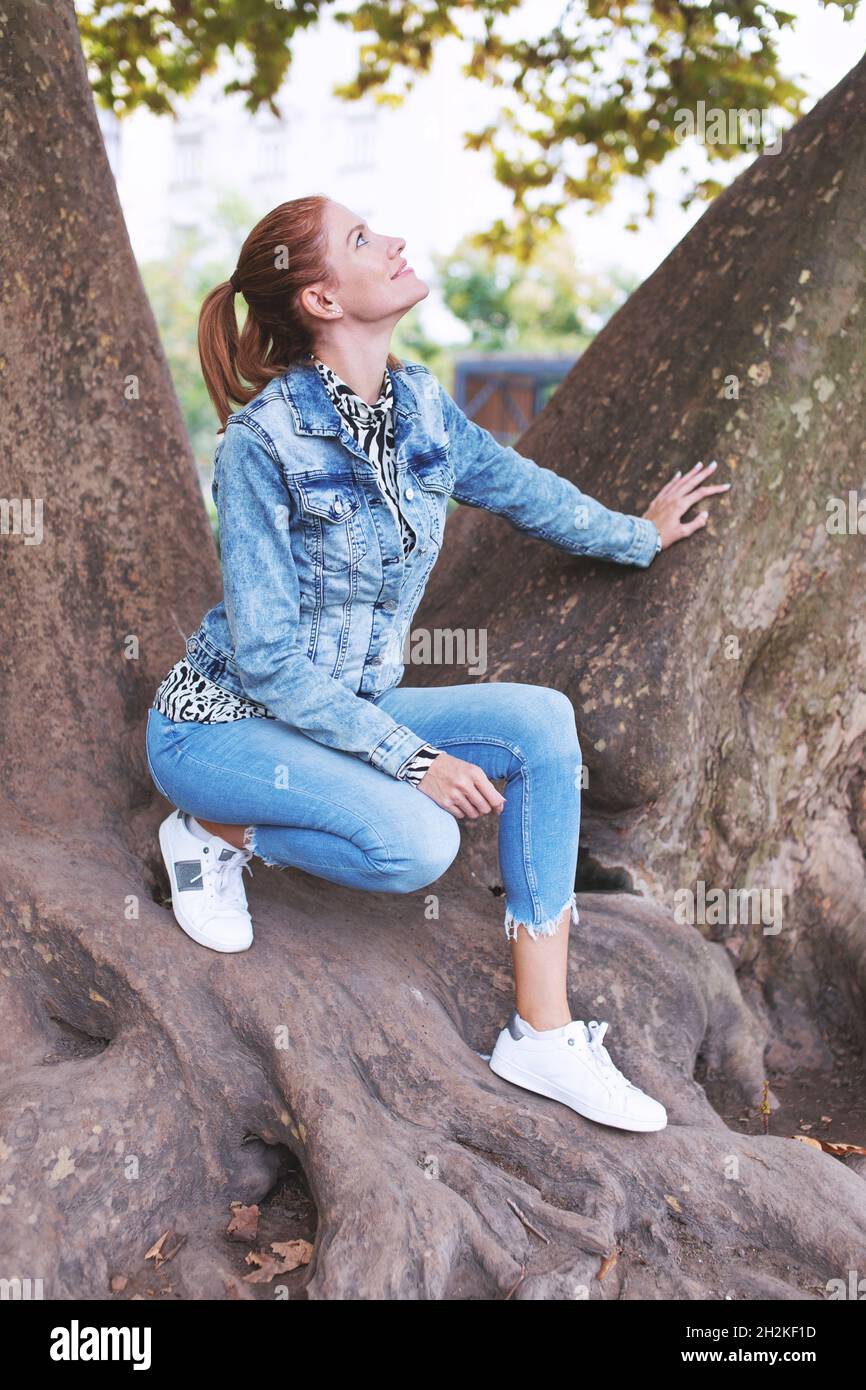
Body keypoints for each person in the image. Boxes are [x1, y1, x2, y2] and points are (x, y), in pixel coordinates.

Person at [145, 195, 730, 1133]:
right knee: (417, 846)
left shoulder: (419, 407)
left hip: (348, 712)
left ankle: (542, 1032)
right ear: (324, 300)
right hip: (223, 727)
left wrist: (639, 537)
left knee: (539, 721)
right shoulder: (262, 444)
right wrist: (415, 762)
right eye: (363, 241)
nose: (396, 241)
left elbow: (522, 490)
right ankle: (214, 833)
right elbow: (268, 663)